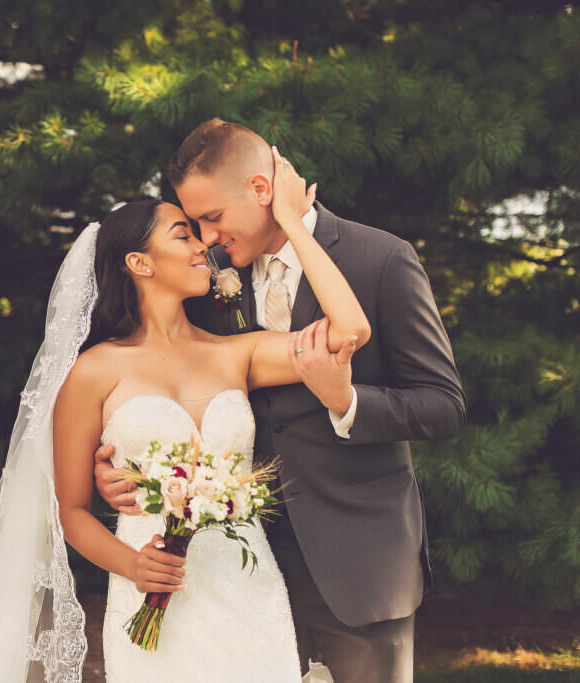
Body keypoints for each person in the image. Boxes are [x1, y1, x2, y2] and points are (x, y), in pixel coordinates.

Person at [0, 149, 368, 682]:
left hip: (249, 588)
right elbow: (72, 512)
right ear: (139, 262)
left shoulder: (236, 353)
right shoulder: (93, 372)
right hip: (152, 594)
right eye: (183, 234)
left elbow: (348, 331)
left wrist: (292, 223)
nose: (205, 245)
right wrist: (132, 565)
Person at [95, 119, 466, 683]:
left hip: (359, 561)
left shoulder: (380, 260)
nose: (207, 237)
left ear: (262, 190)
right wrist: (124, 469)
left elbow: (442, 405)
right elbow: (160, 374)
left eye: (213, 218)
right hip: (239, 572)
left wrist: (347, 403)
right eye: (193, 224)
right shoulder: (205, 277)